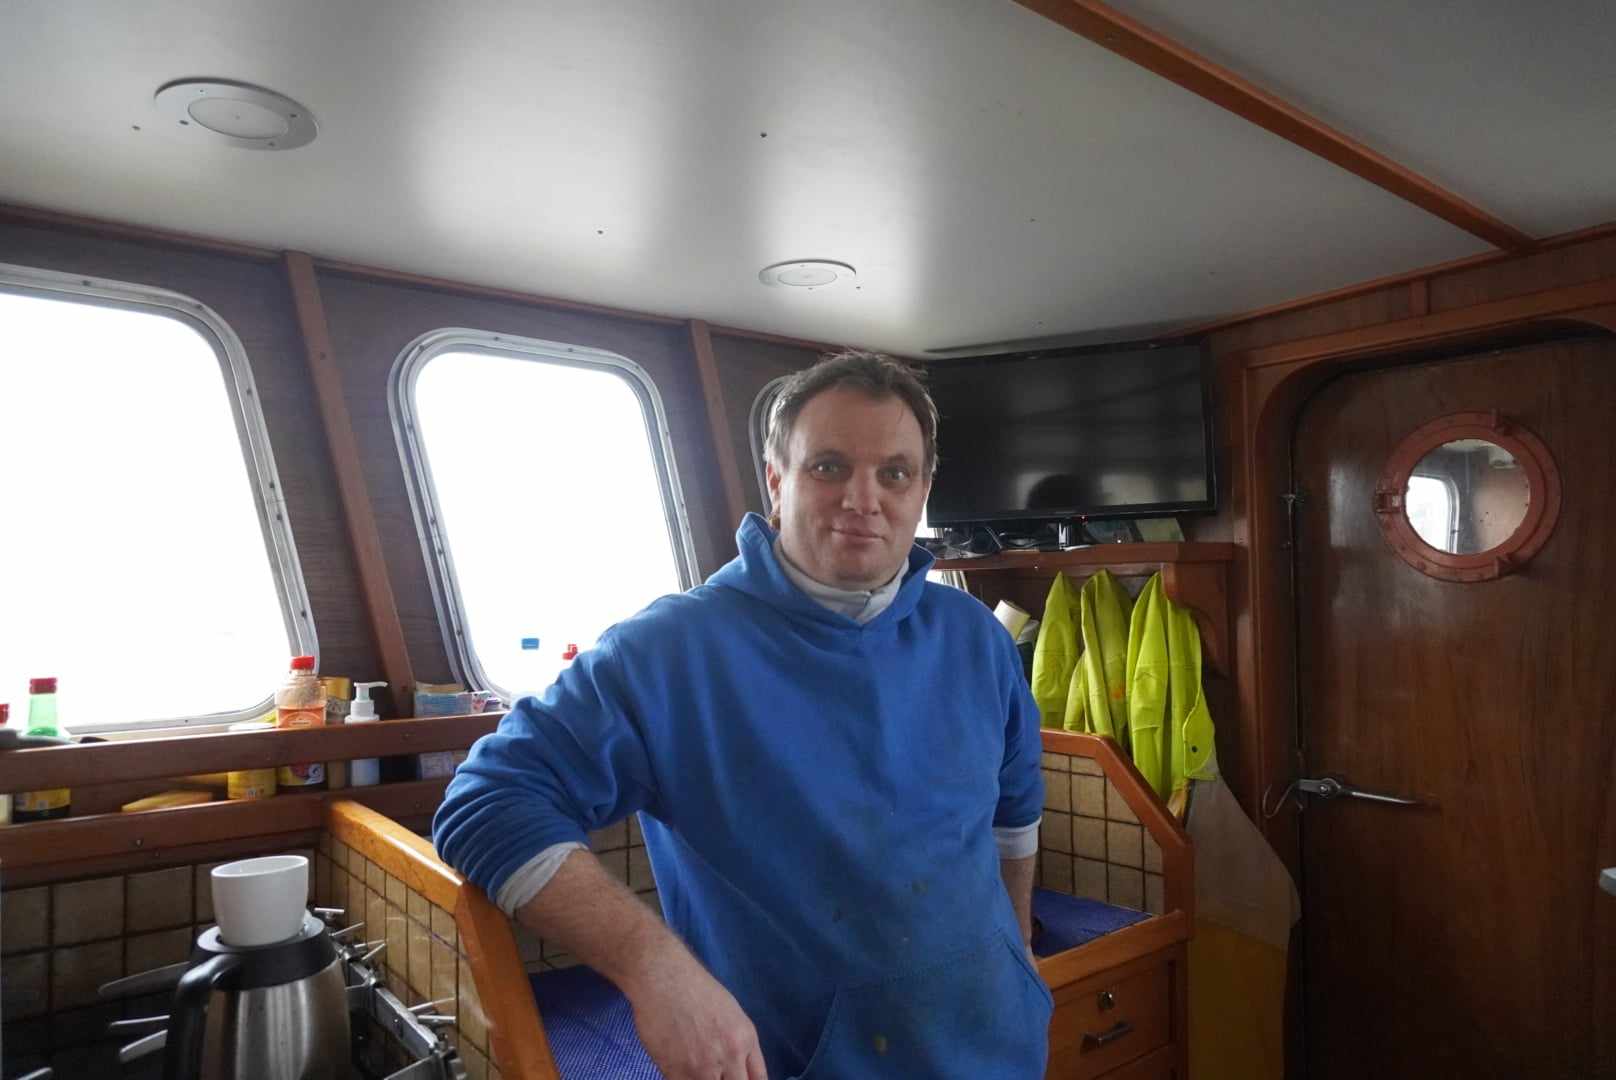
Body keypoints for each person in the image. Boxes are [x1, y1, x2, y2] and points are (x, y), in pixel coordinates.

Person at [433, 350, 1050, 1079]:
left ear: (922, 490)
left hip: (1000, 1048)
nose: (864, 499)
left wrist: (1018, 953)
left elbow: (1015, 812)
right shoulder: (670, 651)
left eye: (894, 473)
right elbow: (486, 803)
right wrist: (653, 967)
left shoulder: (976, 636)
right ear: (776, 480)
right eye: (829, 466)